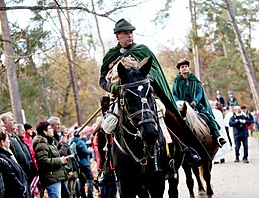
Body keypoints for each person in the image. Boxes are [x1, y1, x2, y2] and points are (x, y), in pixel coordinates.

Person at [99, 18, 210, 163]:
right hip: (121, 98)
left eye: (131, 33)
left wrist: (147, 79)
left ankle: (183, 149)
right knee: (104, 127)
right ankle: (106, 167)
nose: (130, 36)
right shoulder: (110, 56)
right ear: (117, 36)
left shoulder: (143, 50)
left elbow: (155, 72)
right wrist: (114, 88)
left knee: (166, 114)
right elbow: (102, 80)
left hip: (146, 95)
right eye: (126, 33)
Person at [172, 58, 226, 147]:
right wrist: (179, 102)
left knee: (208, 116)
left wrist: (195, 101)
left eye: (186, 66)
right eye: (182, 67)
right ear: (179, 69)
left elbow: (199, 92)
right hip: (182, 105)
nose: (185, 68)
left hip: (195, 104)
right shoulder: (177, 81)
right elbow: (173, 94)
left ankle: (217, 136)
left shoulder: (194, 79)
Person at [33, 121, 68, 198]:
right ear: (44, 131)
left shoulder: (48, 142)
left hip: (55, 177)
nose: (52, 129)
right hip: (51, 179)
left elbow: (52, 154)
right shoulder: (41, 143)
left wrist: (60, 145)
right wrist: (60, 160)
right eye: (49, 128)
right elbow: (43, 161)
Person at [0, 131, 32, 198]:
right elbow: (11, 176)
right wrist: (22, 190)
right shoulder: (1, 157)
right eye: (7, 139)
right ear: (2, 142)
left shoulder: (7, 156)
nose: (9, 141)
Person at [70, 129, 94, 198]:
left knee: (81, 180)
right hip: (85, 164)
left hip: (77, 164)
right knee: (90, 179)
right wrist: (90, 150)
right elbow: (85, 152)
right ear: (79, 135)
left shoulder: (72, 142)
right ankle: (90, 195)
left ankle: (82, 195)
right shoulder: (80, 142)